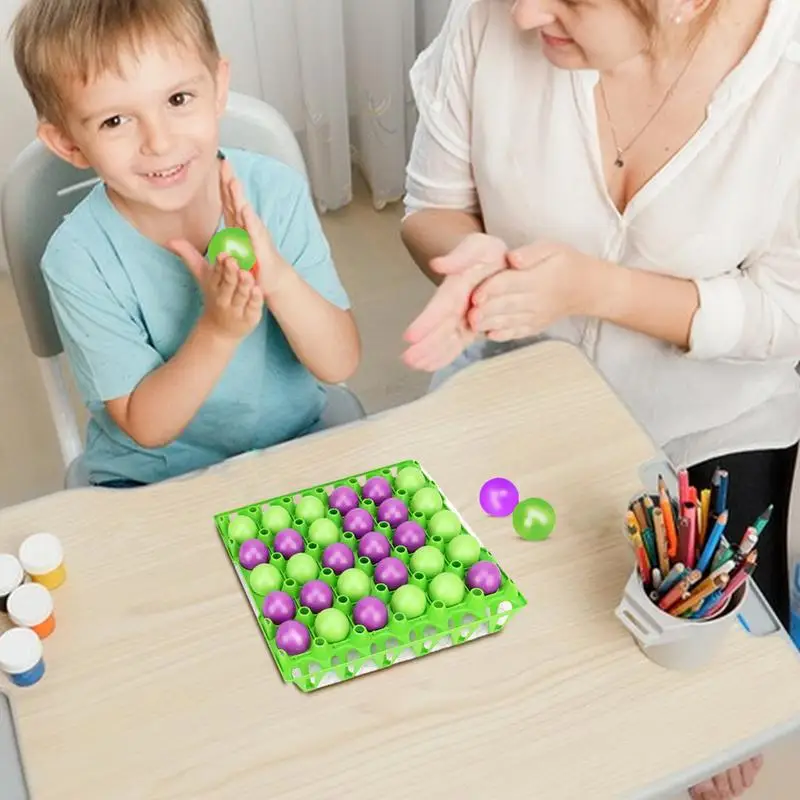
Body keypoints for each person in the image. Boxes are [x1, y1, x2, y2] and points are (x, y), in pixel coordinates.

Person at [400, 1, 799, 797]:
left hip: (711, 426)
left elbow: (786, 311)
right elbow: (430, 210)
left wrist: (601, 290)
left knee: (702, 698)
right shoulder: (492, 18)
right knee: (479, 675)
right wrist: (473, 258)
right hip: (515, 392)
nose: (524, 13)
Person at [9, 0, 361, 489]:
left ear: (217, 87)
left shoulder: (272, 193)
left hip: (294, 444)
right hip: (153, 481)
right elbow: (146, 426)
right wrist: (218, 330)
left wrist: (276, 276)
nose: (159, 140)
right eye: (115, 121)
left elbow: (339, 362)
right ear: (69, 144)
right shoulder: (78, 260)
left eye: (177, 99)